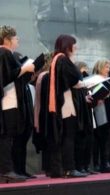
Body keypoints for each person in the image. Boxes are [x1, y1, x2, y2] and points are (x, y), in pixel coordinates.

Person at [46, 34, 88, 178]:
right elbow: (73, 79)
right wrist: (85, 83)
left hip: (65, 101)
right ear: (67, 45)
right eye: (74, 44)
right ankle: (69, 168)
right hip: (66, 103)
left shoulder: (57, 59)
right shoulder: (63, 59)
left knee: (66, 137)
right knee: (68, 137)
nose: (75, 47)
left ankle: (63, 168)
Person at [0, 25, 35, 183]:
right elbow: (6, 76)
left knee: (9, 137)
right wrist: (24, 68)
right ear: (7, 39)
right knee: (6, 137)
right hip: (8, 102)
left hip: (10, 100)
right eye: (15, 38)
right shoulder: (4, 52)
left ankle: (10, 169)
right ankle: (6, 170)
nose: (18, 40)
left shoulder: (6, 54)